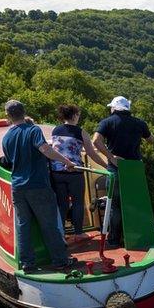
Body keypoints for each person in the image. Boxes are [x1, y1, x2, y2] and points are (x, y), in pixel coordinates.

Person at [0, 100, 79, 272]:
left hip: (18, 187)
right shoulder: (33, 130)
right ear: (24, 111)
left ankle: (27, 264)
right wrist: (67, 161)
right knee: (49, 224)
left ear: (8, 116)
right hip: (38, 185)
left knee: (23, 225)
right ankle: (60, 261)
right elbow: (45, 149)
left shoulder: (6, 137)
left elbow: (8, 161)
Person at [92, 96, 152, 249]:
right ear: (127, 108)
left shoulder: (107, 122)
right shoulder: (139, 123)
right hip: (135, 169)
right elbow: (151, 139)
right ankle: (135, 240)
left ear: (113, 108)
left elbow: (96, 141)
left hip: (116, 168)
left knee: (115, 206)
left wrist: (111, 157)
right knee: (135, 205)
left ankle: (113, 241)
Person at [51, 104, 108, 242]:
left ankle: (61, 233)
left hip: (57, 171)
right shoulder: (81, 132)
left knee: (62, 204)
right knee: (77, 203)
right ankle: (78, 233)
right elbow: (91, 153)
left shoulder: (55, 130)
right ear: (75, 115)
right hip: (74, 172)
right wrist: (106, 165)